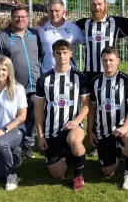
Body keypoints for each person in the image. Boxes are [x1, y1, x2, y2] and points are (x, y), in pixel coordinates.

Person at [34, 40, 90, 190]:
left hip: (73, 127)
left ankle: (78, 175)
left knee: (75, 140)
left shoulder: (80, 77)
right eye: (58, 53)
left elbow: (86, 106)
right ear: (53, 54)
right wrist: (40, 136)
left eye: (65, 52)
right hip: (52, 131)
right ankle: (67, 156)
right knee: (58, 175)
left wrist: (77, 121)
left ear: (71, 54)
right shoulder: (43, 79)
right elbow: (38, 109)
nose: (62, 56)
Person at [0, 6, 44, 159]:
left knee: (33, 116)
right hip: (14, 87)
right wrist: (1, 83)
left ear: (28, 18)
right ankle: (15, 144)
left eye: (24, 16)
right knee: (14, 116)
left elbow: (40, 56)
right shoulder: (2, 36)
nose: (20, 19)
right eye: (17, 17)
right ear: (11, 18)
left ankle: (27, 145)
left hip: (34, 85)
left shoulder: (34, 34)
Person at [87, 46, 128, 190]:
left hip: (123, 127)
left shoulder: (126, 80)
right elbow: (92, 108)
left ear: (118, 60)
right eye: (105, 60)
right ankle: (119, 151)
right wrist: (90, 131)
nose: (108, 63)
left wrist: (124, 126)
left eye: (111, 60)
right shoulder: (95, 81)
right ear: (101, 62)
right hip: (103, 130)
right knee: (107, 172)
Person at [0, 56, 27, 191]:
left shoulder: (18, 89)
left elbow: (22, 117)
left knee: (1, 143)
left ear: (9, 71)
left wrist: (4, 130)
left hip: (15, 130)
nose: (0, 73)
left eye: (3, 69)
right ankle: (15, 155)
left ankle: (11, 174)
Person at [74, 0, 128, 75]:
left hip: (109, 73)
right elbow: (65, 26)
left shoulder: (116, 22)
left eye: (99, 4)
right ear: (90, 6)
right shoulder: (84, 23)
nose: (97, 8)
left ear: (105, 5)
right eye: (94, 4)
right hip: (89, 72)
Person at [37, 0, 86, 72]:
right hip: (47, 73)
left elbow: (87, 43)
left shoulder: (74, 28)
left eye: (57, 11)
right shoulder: (40, 28)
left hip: (69, 73)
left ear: (63, 12)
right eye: (51, 11)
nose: (54, 14)